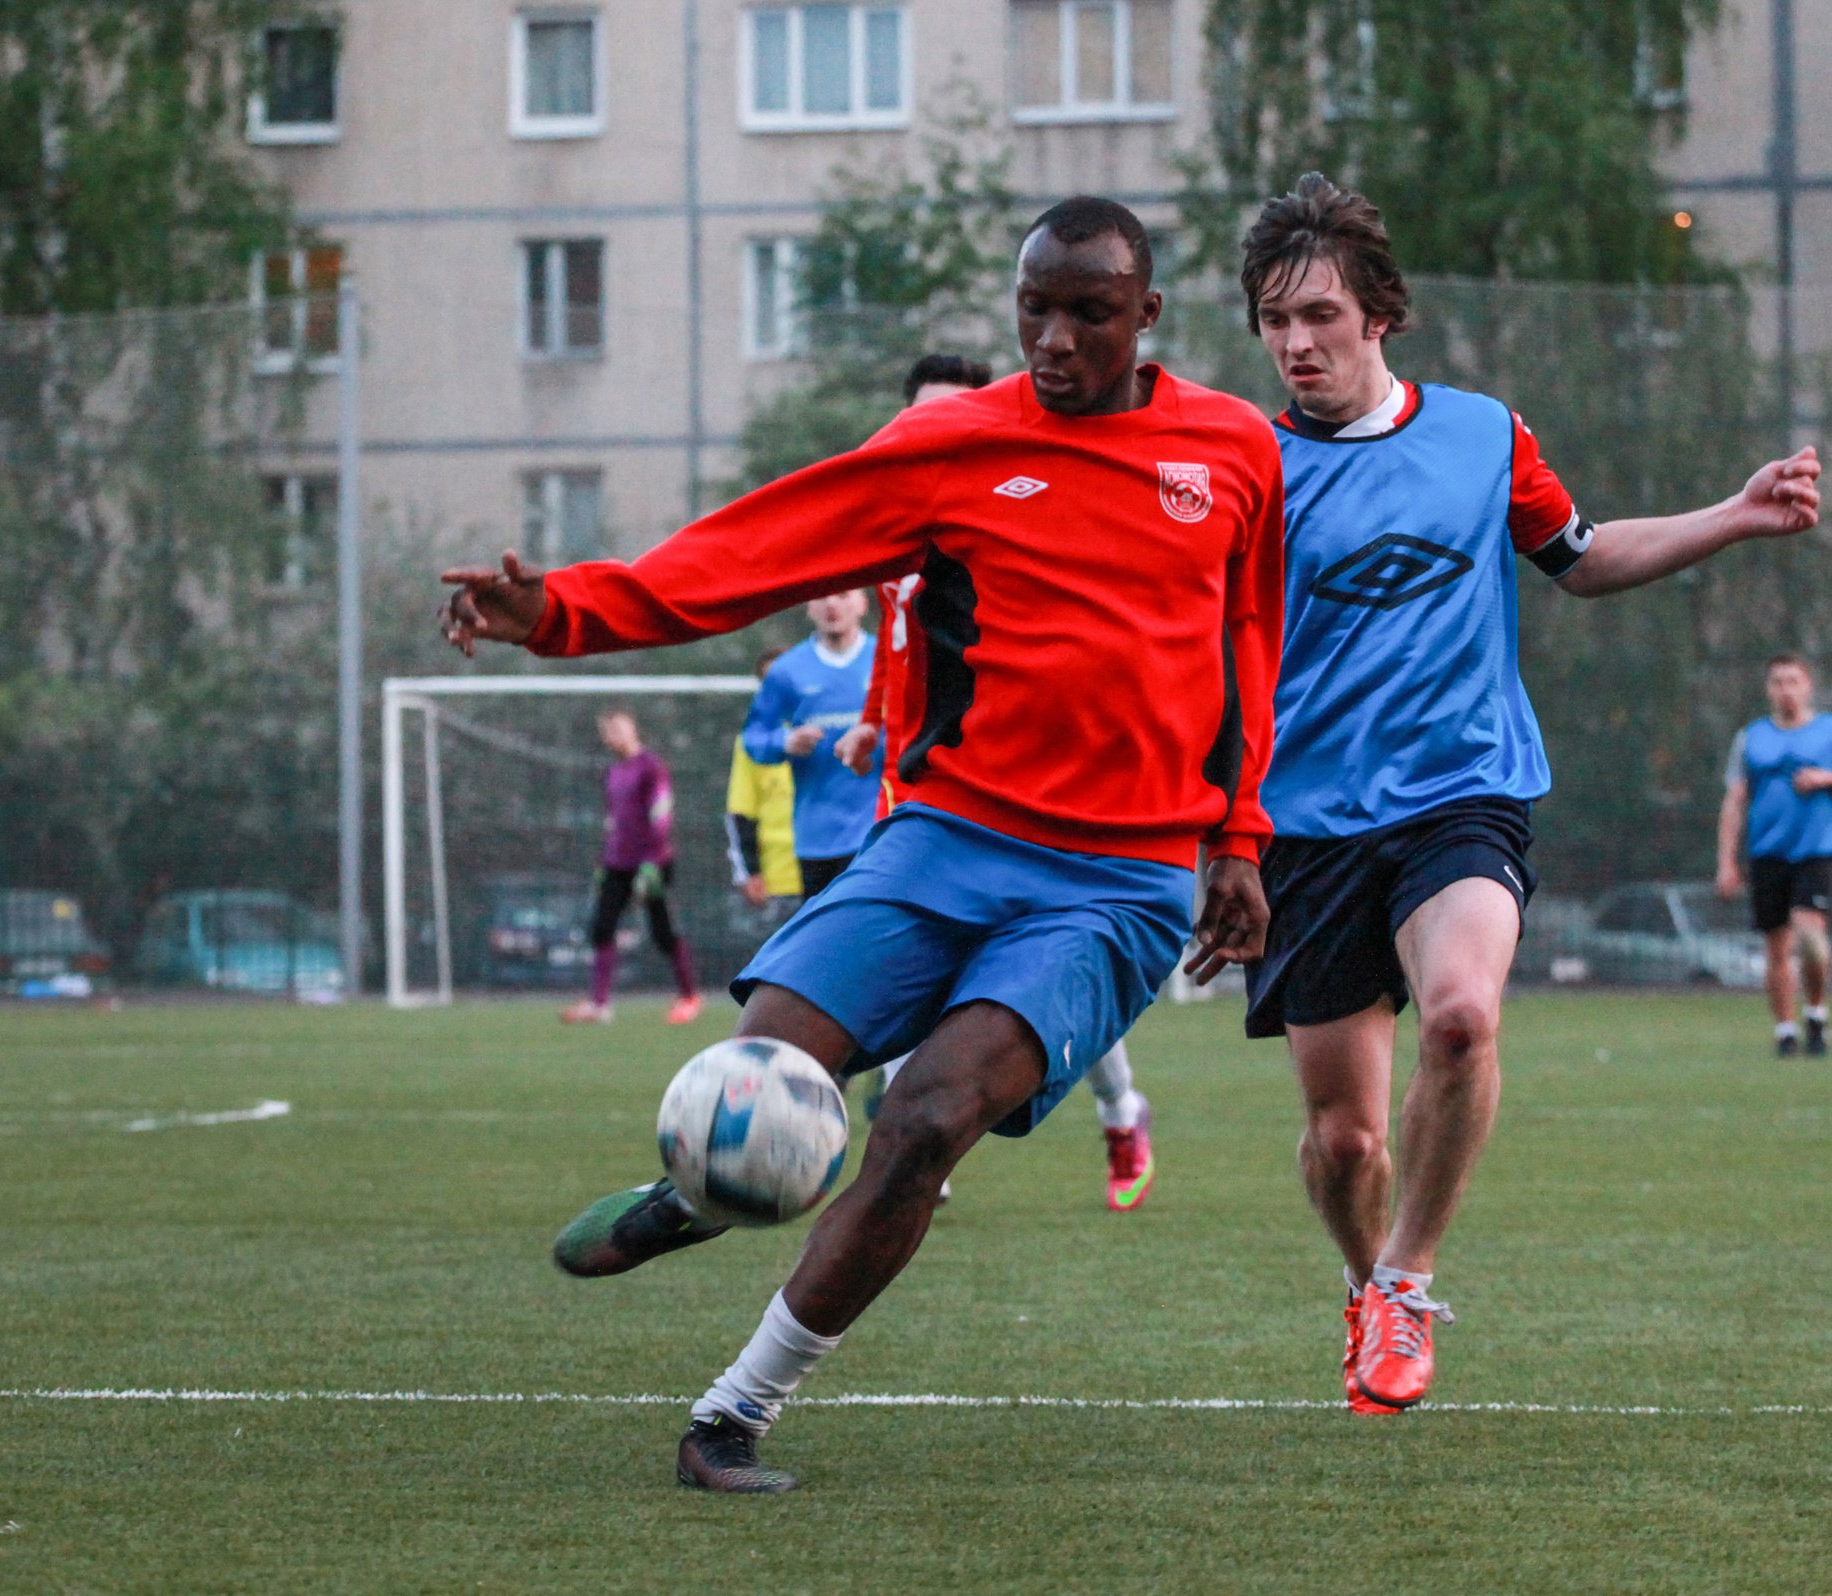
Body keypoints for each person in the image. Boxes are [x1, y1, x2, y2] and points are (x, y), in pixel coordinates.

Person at [441, 196, 1284, 1492]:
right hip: (948, 834)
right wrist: (561, 611)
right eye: (1035, 311)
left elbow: (1250, 642)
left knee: (925, 1118)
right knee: (766, 1061)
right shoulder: (951, 442)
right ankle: (702, 1191)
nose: (1056, 340)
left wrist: (1240, 837)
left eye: (1091, 314)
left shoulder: (1232, 449)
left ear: (1148, 315)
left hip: (1117, 881)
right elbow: (754, 549)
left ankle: (732, 1415)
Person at [1230, 174, 1826, 1417]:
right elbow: (1194, 657)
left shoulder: (1482, 435)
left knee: (1460, 1018)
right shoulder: (1245, 470)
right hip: (1308, 829)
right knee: (1344, 1142)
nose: (1296, 343)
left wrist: (1733, 514)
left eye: (1320, 315)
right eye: (1275, 321)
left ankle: (1407, 1281)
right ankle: (1364, 1280)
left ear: (1378, 314)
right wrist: (1210, 839)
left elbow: (1580, 557)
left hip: (1464, 792)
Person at [836, 352, 1158, 1212]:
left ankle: (1121, 1109)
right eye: (920, 415)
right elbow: (897, 640)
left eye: (954, 411)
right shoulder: (894, 522)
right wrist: (871, 719)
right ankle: (913, 1151)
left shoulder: (1021, 518)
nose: (936, 429)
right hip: (914, 788)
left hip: (1017, 793)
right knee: (906, 968)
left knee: (1048, 984)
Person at [1715, 654, 1832, 1056]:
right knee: (1776, 949)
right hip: (1767, 854)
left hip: (1815, 853)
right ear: (1769, 690)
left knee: (1811, 940)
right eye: (1777, 682)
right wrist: (1726, 862)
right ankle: (1786, 1030)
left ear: (1808, 687)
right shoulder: (1751, 738)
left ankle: (1816, 1012)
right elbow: (1735, 801)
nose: (1785, 689)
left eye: (1793, 681)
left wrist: (1828, 778)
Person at [563, 709, 706, 1027]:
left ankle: (689, 997)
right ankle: (599, 1004)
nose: (610, 737)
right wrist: (604, 860)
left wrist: (653, 862)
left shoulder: (651, 766)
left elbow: (661, 813)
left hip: (651, 863)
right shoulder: (612, 772)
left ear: (632, 729)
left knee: (662, 930)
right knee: (601, 927)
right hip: (617, 863)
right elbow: (613, 819)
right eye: (606, 732)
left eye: (616, 729)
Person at [744, 591, 882, 900]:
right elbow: (753, 738)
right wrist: (786, 741)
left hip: (879, 831)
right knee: (825, 926)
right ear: (809, 606)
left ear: (862, 602)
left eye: (843, 594)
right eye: (822, 596)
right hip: (817, 837)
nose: (831, 604)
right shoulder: (787, 670)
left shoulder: (887, 660)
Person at [726, 645, 804, 926]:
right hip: (778, 882)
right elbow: (741, 813)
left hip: (834, 871)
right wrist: (750, 872)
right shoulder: (750, 744)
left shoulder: (833, 729)